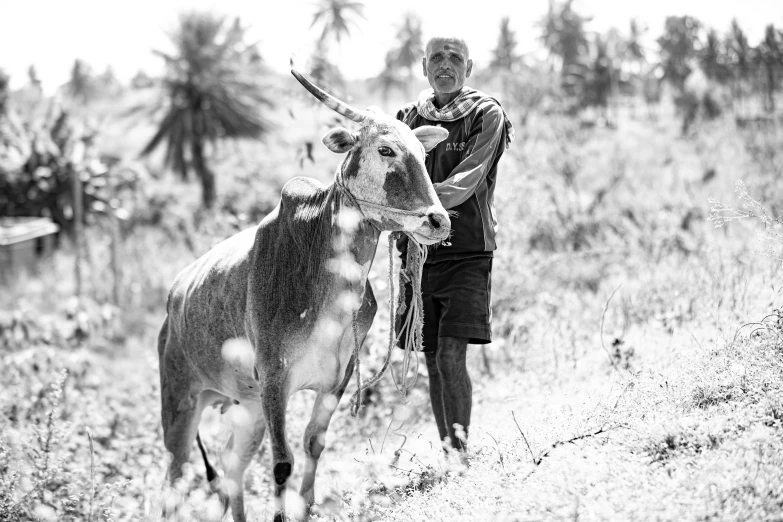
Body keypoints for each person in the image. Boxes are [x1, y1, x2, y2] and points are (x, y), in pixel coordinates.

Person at [395, 37, 514, 451]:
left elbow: (468, 180)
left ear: (469, 68)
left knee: (449, 356)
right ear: (424, 67)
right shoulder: (407, 118)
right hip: (416, 255)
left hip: (467, 252)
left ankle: (459, 456)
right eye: (437, 58)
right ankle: (449, 453)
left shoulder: (487, 114)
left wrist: (412, 202)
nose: (446, 65)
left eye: (456, 58)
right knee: (430, 360)